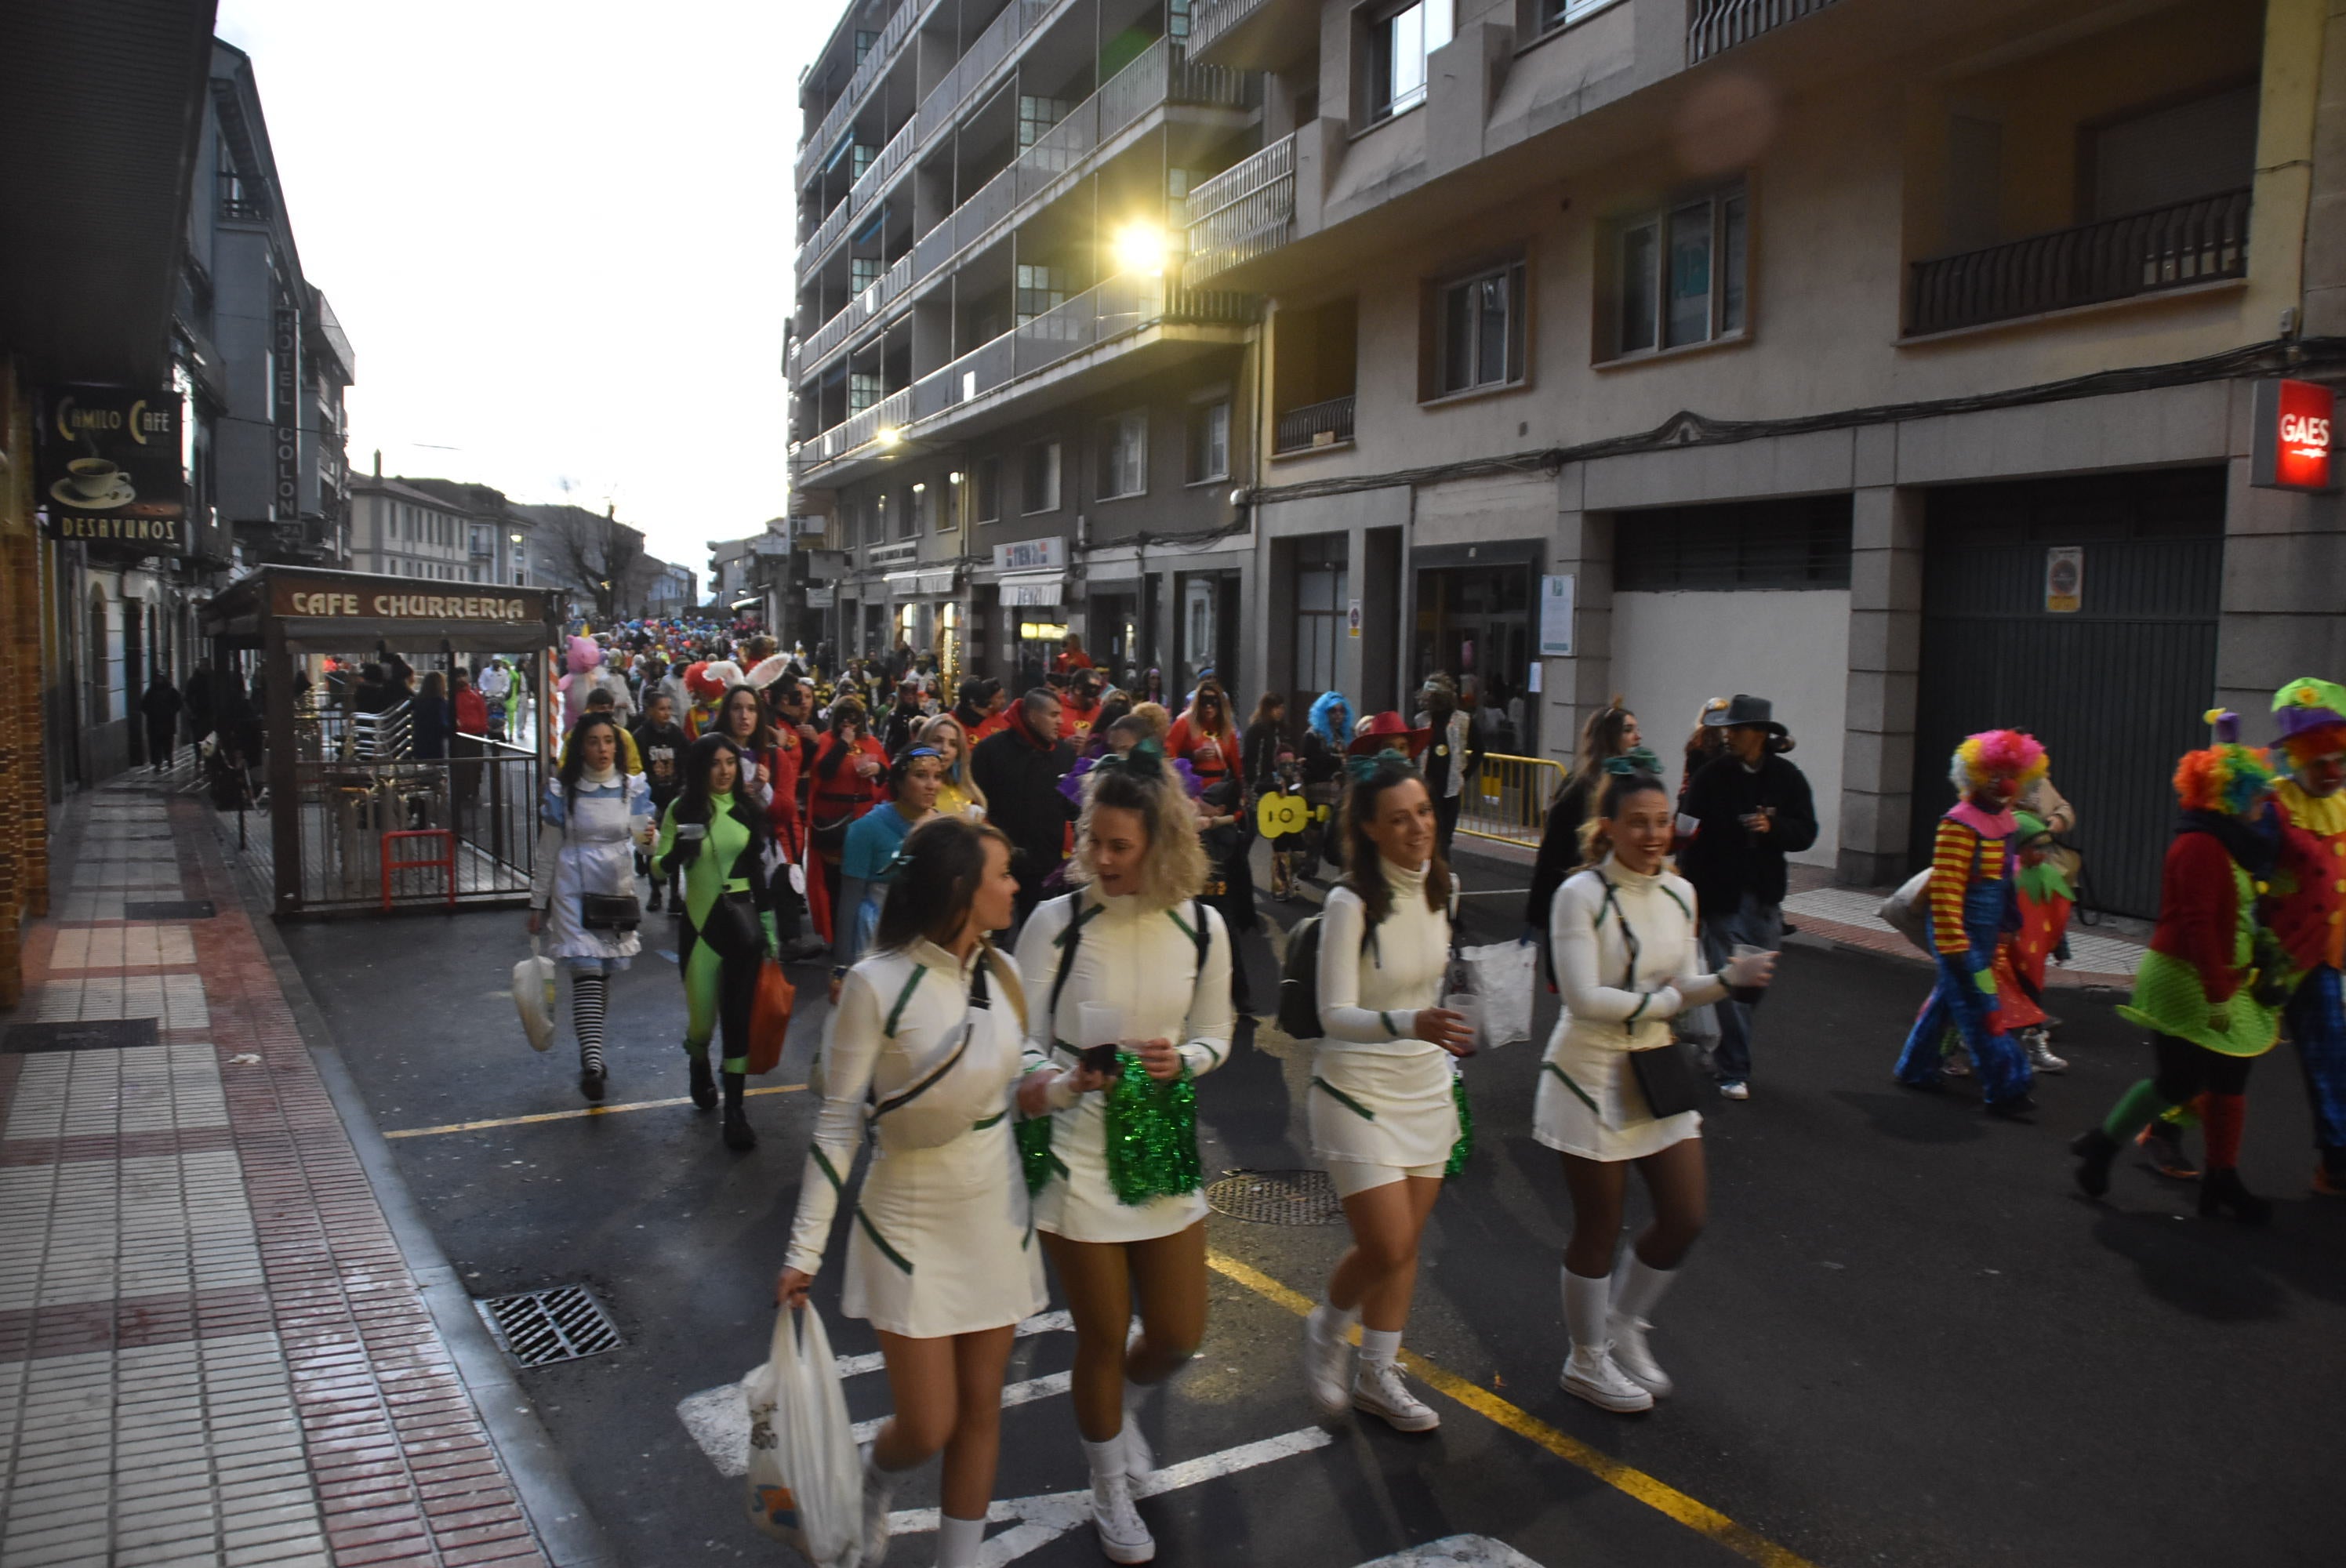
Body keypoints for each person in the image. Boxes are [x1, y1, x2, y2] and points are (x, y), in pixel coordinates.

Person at [778, 818, 1044, 1568]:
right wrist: (804, 1251)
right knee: (928, 1424)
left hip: (997, 1212)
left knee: (982, 1411)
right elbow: (837, 1125)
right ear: (962, 890)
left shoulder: (1006, 972)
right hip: (910, 1221)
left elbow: (1024, 1073)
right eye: (1002, 873)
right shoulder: (875, 984)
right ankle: (875, 1481)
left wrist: (1066, 1083)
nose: (1016, 885)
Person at [1013, 745, 1232, 1563]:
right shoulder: (1054, 922)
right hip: (1074, 1140)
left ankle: (1124, 1408)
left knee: (1177, 1330)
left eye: (1118, 845)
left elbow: (1219, 1032)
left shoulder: (1201, 926)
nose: (1099, 859)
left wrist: (1191, 1061)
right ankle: (1107, 1486)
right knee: (1102, 1332)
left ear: (1160, 842)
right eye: (1092, 841)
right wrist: (1063, 1079)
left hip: (1163, 1131)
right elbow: (1018, 1044)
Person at [1540, 758, 1776, 1413]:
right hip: (1588, 1071)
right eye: (1637, 823)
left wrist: (1732, 978)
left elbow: (1687, 985)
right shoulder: (1580, 895)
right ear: (1608, 827)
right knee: (1600, 1225)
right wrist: (1662, 1001)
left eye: (1661, 822)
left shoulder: (1680, 893)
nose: (1652, 835)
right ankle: (1585, 1361)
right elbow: (1584, 998)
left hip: (1656, 1067)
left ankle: (1624, 1323)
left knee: (1685, 1214)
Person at [1298, 755, 1475, 1434]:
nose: (1418, 828)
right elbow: (1333, 1012)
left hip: (1427, 1085)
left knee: (1406, 1246)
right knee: (1385, 1244)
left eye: (1424, 812)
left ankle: (1377, 1372)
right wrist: (1411, 1023)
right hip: (1355, 1089)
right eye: (1399, 819)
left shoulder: (1443, 885)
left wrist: (1451, 1026)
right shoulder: (1351, 902)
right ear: (1369, 829)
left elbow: (1431, 985)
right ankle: (1326, 1327)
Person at [2072, 719, 2283, 1222]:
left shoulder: (2226, 843)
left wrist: (2259, 959)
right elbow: (2195, 923)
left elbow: (2238, 917)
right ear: (2232, 798)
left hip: (2218, 979)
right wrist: (2215, 989)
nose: (2262, 808)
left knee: (2223, 1078)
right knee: (2181, 1081)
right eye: (2256, 798)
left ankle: (2219, 1177)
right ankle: (2105, 1145)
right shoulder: (2200, 845)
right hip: (2186, 979)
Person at [1891, 729, 2046, 1120]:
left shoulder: (2007, 821)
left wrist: (2007, 924)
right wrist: (1954, 943)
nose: (2004, 785)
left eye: (2010, 776)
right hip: (1959, 937)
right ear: (1975, 776)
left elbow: (2005, 882)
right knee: (1984, 1011)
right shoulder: (1960, 823)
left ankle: (1915, 1068)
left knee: (1948, 1001)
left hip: (1983, 934)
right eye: (1994, 777)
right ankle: (2007, 1087)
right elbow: (1947, 888)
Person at [1674, 695, 1817, 1101]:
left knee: (1752, 986)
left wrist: (1774, 827)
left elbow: (1807, 832)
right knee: (1729, 980)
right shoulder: (1711, 776)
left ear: (1760, 734)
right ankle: (1734, 1069)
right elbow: (1685, 831)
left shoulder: (1788, 777)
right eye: (1727, 729)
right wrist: (1686, 889)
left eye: (1737, 730)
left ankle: (1720, 1045)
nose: (1728, 736)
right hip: (1719, 893)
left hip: (1766, 895)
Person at [655, 734, 783, 1150]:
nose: (725, 771)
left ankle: (736, 1111)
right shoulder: (682, 809)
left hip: (743, 928)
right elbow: (656, 869)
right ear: (700, 768)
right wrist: (676, 856)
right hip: (699, 930)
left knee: (738, 1021)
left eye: (731, 762)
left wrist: (769, 931)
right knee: (702, 1023)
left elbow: (759, 877)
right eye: (716, 763)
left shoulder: (746, 811)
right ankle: (697, 1060)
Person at [528, 714, 657, 1104]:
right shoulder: (561, 792)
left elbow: (647, 848)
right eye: (593, 741)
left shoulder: (632, 789)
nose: (602, 749)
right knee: (586, 971)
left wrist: (651, 839)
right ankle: (593, 1064)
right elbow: (547, 853)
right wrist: (538, 903)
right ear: (579, 747)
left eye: (608, 741)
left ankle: (592, 1052)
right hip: (571, 889)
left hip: (614, 892)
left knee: (600, 978)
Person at [2260, 678, 2346, 1195]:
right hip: (2271, 955)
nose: (2333, 772)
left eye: (2340, 760)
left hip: (2322, 958)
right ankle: (2168, 1124)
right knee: (2229, 1057)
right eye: (2321, 763)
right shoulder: (2274, 806)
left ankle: (2336, 1162)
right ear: (2297, 759)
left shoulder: (2343, 807)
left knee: (2330, 1058)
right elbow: (2246, 876)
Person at [1527, 699, 1640, 971]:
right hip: (1585, 897)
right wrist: (1541, 911)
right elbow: (1553, 851)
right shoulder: (1579, 788)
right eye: (1628, 730)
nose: (1638, 736)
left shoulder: (1634, 783)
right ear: (1610, 737)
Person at [832, 746, 946, 982]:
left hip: (927, 938)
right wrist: (842, 967)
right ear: (899, 782)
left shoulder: (943, 828)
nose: (931, 785)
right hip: (877, 938)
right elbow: (849, 904)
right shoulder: (864, 830)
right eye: (921, 775)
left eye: (937, 777)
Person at [971, 687, 1079, 927]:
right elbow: (975, 803)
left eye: (1060, 714)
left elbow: (1075, 807)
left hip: (1046, 864)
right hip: (999, 863)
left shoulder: (1064, 753)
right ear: (1032, 716)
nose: (1061, 721)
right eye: (1053, 715)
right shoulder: (990, 751)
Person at [810, 698, 889, 924]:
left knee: (862, 879)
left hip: (863, 818)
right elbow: (823, 771)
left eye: (854, 717)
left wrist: (878, 768)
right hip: (833, 821)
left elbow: (888, 778)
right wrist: (843, 743)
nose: (849, 722)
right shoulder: (826, 740)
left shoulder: (871, 742)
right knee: (835, 881)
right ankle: (837, 932)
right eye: (844, 716)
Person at [630, 689, 690, 912]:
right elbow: (636, 768)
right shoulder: (641, 736)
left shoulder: (676, 734)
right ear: (650, 711)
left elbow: (687, 759)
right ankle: (655, 892)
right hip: (649, 801)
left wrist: (683, 787)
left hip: (673, 799)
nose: (666, 714)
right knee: (651, 846)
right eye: (661, 709)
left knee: (673, 847)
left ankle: (675, 895)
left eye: (668, 709)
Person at [1414, 675, 1480, 862]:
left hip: (1450, 790)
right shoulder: (1421, 720)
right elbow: (1412, 751)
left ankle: (1441, 879)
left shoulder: (1463, 720)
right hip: (1425, 789)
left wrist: (1463, 774)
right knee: (1427, 834)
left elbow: (1479, 749)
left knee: (1444, 839)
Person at [1164, 684, 1239, 793]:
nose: (1209, 706)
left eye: (1214, 701)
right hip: (1193, 789)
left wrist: (1240, 791)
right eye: (1204, 701)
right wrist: (1193, 756)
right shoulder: (1184, 724)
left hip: (1221, 790)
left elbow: (1236, 764)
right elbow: (1169, 756)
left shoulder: (1226, 729)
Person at [917, 712, 987, 818]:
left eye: (953, 744)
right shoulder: (908, 789)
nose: (945, 749)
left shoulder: (969, 795)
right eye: (937, 741)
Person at [451, 670, 489, 803]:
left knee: (472, 764)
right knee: (469, 764)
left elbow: (482, 711)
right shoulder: (468, 695)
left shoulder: (472, 694)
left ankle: (470, 789)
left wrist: (483, 728)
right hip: (467, 734)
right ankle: (468, 790)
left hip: (471, 734)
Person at [1242, 693, 1287, 794]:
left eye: (1282, 708)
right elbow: (1250, 759)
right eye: (1276, 708)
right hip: (1259, 782)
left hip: (1273, 779)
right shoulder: (1257, 730)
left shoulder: (1278, 730)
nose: (1280, 711)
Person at [140, 669, 182, 772]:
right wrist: (151, 712)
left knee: (168, 743)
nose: (158, 680)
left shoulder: (171, 690)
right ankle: (157, 764)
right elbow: (144, 705)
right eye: (157, 678)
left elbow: (178, 703)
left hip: (168, 722)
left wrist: (171, 711)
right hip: (154, 723)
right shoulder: (151, 692)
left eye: (160, 678)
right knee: (155, 744)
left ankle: (169, 758)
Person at [411, 672, 454, 763]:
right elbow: (443, 725)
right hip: (435, 744)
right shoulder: (440, 704)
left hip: (419, 742)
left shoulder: (417, 701)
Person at [881, 679, 928, 758]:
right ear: (901, 696)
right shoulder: (893, 716)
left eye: (912, 694)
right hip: (898, 757)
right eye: (907, 694)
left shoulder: (923, 715)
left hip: (921, 757)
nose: (910, 697)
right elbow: (885, 741)